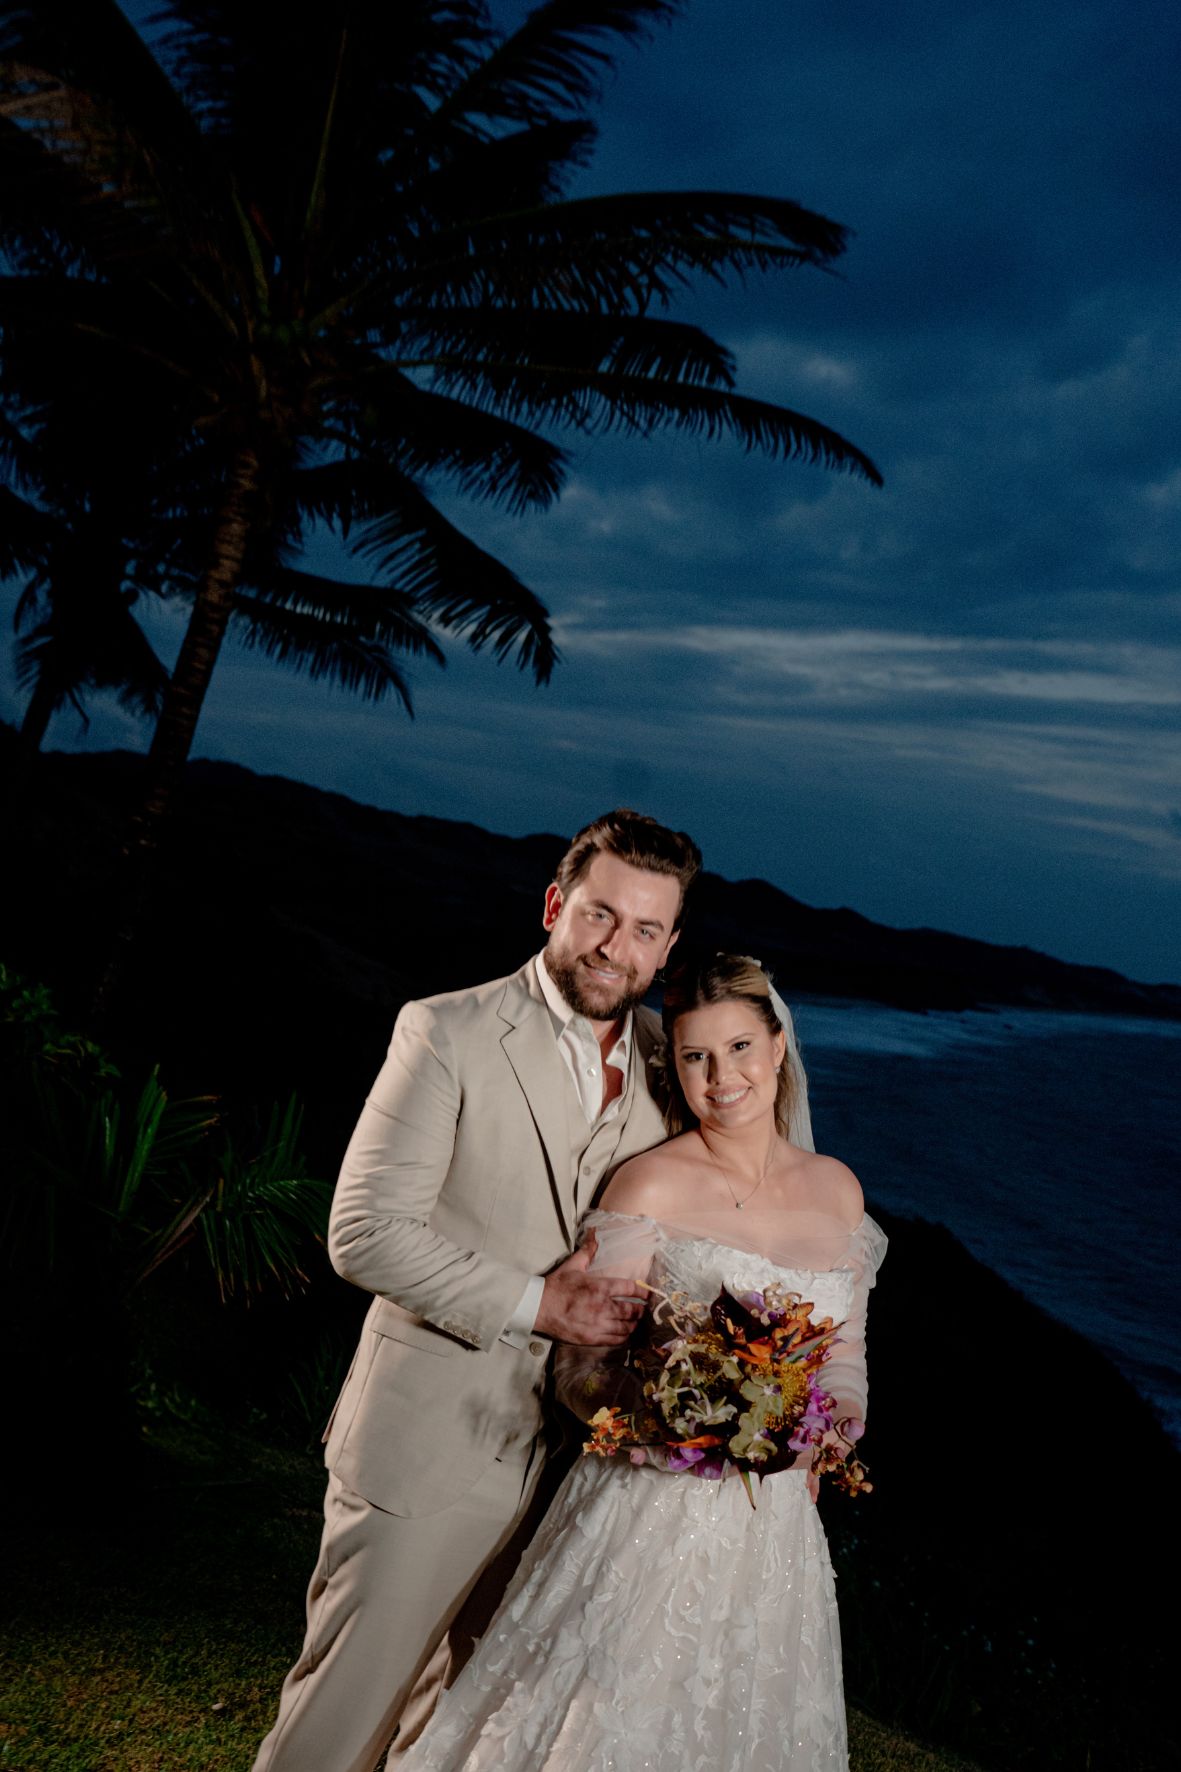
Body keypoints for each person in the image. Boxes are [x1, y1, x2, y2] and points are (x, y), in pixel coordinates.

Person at [254, 810, 718, 1772]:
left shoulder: (670, 1075)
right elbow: (364, 1233)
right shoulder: (446, 1031)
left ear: (667, 947)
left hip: (571, 1474)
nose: (613, 946)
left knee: (459, 1736)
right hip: (427, 1442)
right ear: (555, 905)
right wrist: (538, 1305)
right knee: (340, 1720)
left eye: (642, 930)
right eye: (598, 915)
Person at [398, 953, 886, 1772]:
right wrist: (668, 1421)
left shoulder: (837, 1190)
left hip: (775, 1534)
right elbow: (581, 1366)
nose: (720, 1076)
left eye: (737, 1049)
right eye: (695, 1057)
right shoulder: (648, 1185)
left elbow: (843, 1351)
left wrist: (828, 1427)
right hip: (639, 1512)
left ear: (775, 1048)